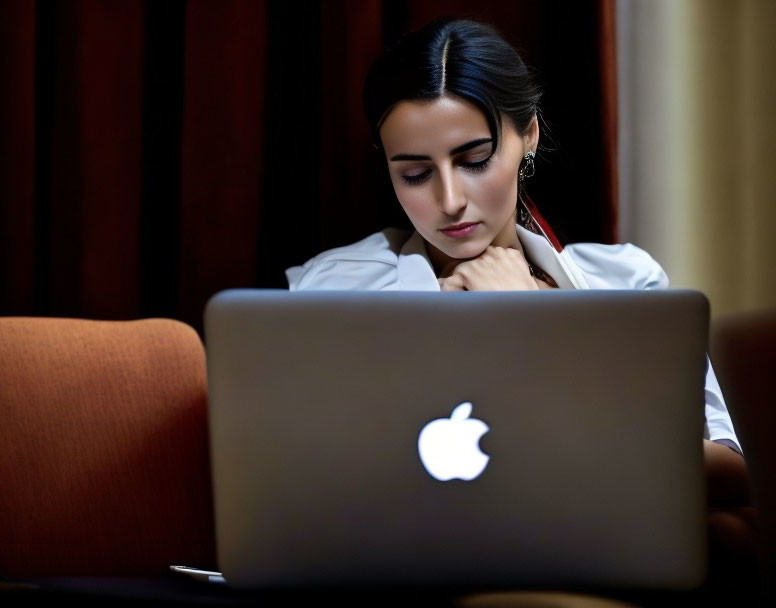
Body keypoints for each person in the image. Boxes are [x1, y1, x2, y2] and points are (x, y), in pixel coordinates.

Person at [286, 19, 749, 518]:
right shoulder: (334, 289)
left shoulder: (626, 282)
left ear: (528, 134)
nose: (450, 201)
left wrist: (541, 322)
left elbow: (728, 473)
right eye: (415, 174)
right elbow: (299, 480)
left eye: (475, 160)